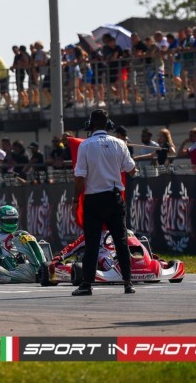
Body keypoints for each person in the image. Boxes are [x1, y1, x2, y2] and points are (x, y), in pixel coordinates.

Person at [71, 109, 137, 296]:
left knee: (92, 243)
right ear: (109, 125)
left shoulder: (85, 146)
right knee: (121, 241)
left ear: (90, 125)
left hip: (93, 200)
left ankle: (87, 284)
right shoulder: (119, 144)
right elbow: (132, 170)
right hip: (114, 199)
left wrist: (75, 200)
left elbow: (79, 177)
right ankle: (128, 283)